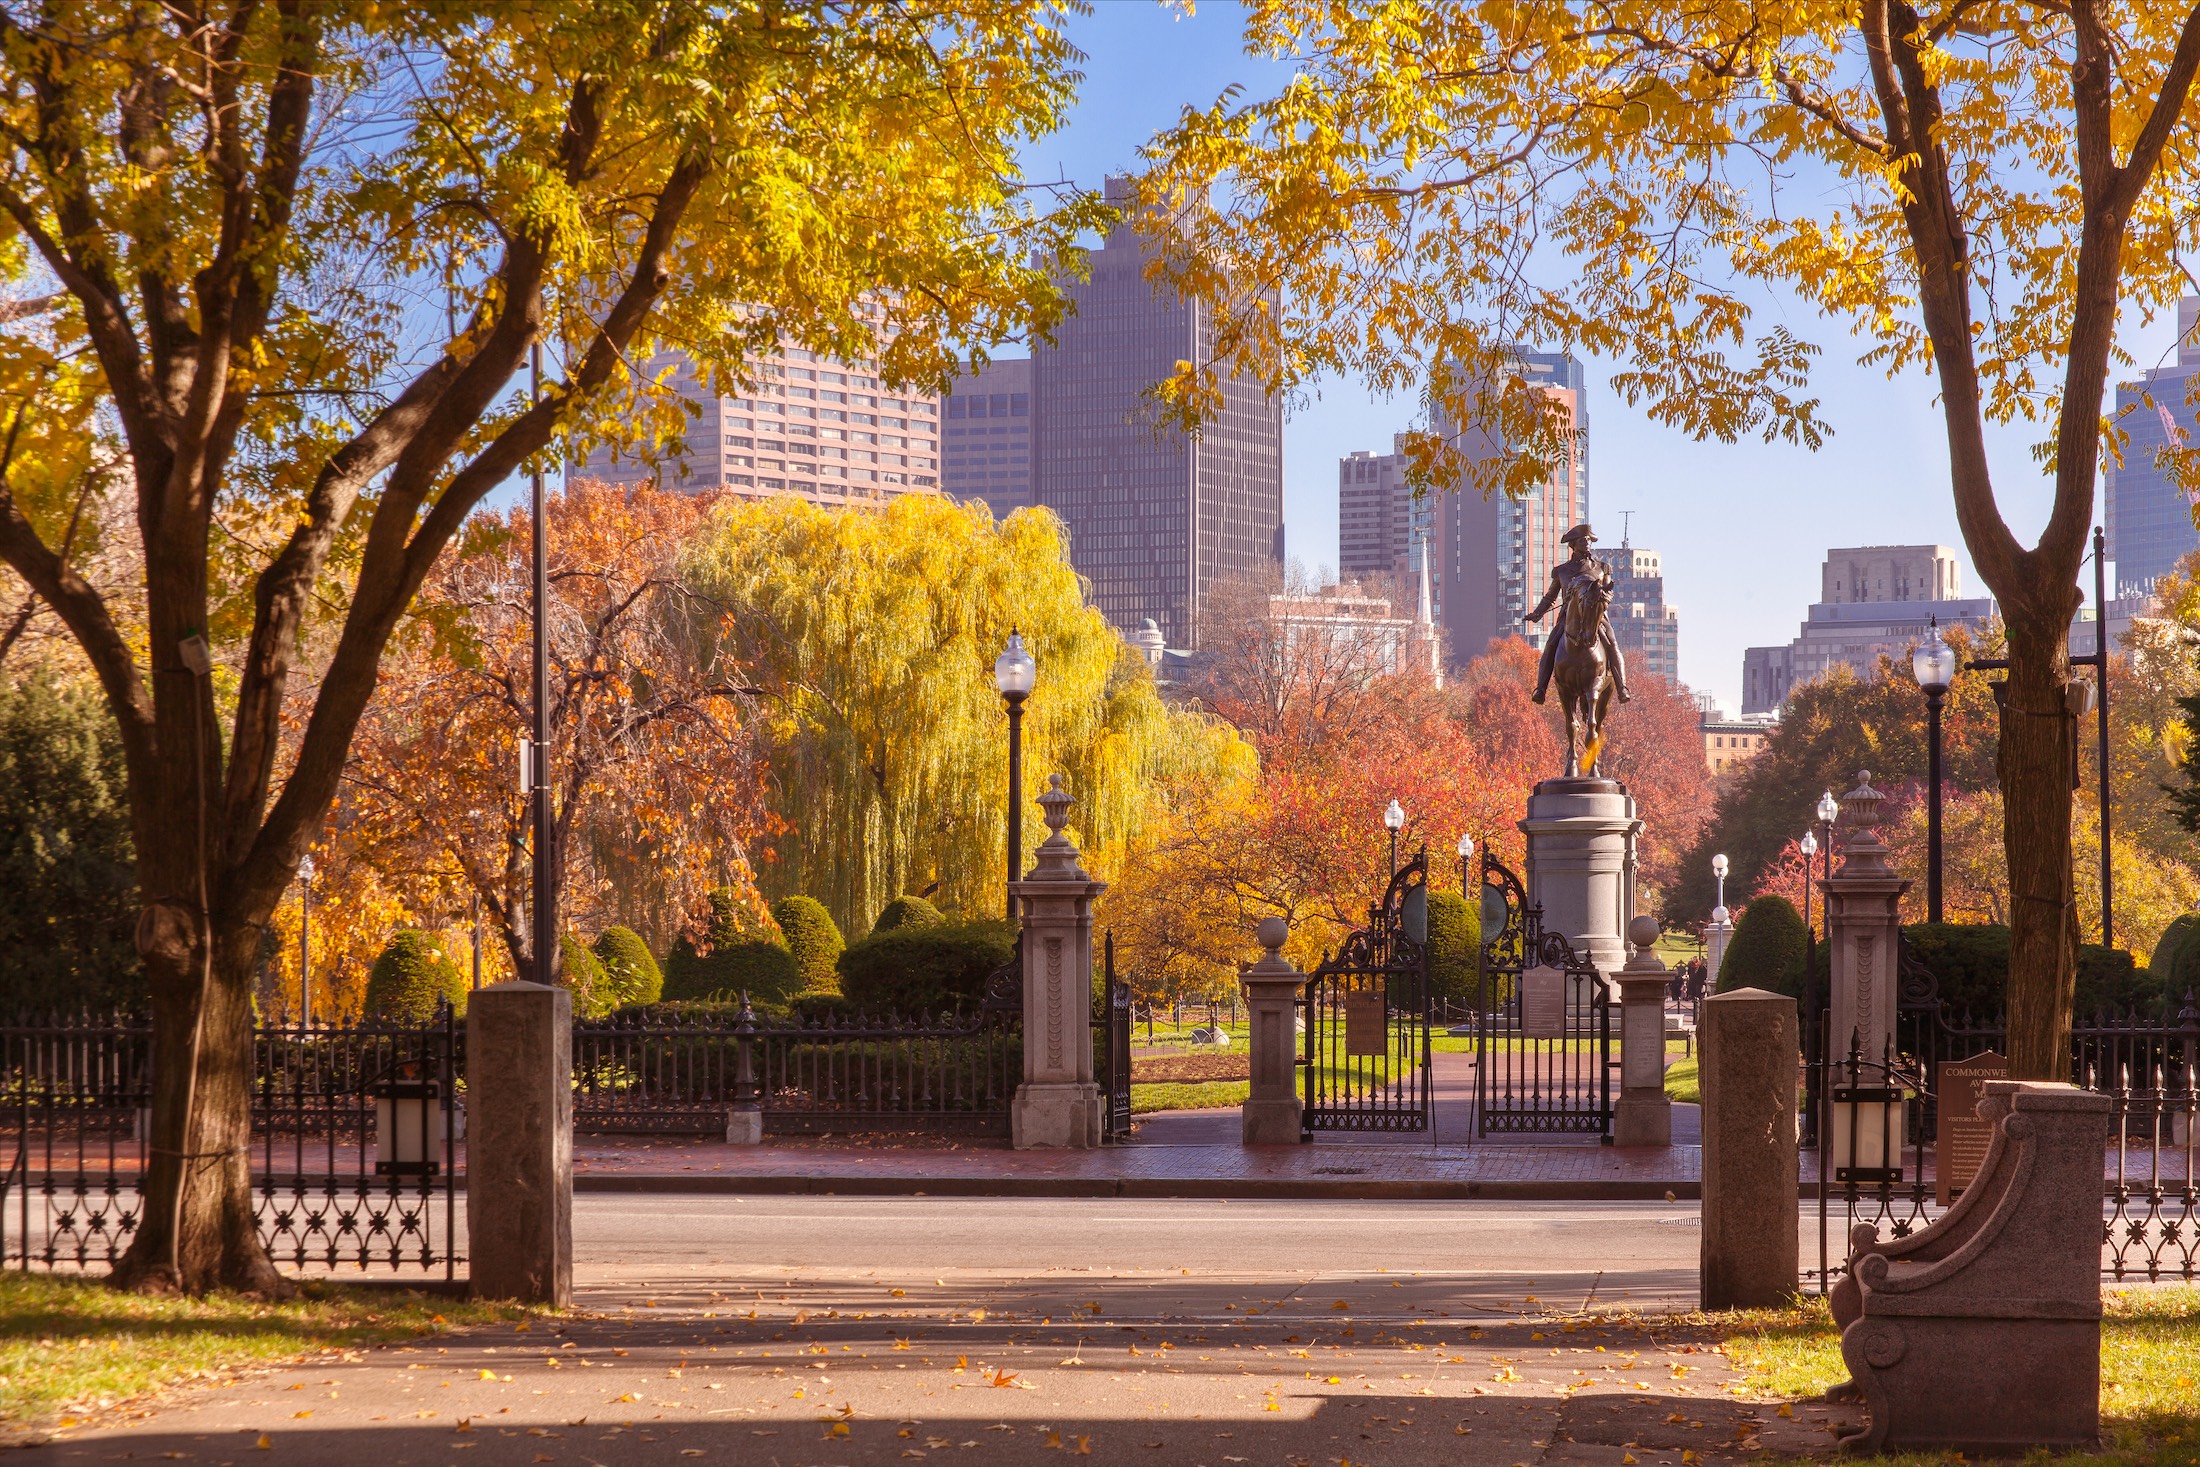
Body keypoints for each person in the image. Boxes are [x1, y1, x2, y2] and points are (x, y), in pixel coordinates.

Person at [1526, 522, 1631, 705]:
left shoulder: (1602, 568)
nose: (1588, 542)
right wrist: (1538, 613)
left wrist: (1603, 599)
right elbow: (1550, 597)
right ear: (1573, 544)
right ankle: (1540, 689)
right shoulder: (1562, 571)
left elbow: (1609, 591)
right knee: (1550, 645)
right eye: (1584, 540)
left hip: (1596, 617)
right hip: (1569, 618)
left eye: (1589, 539)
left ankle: (1622, 687)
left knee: (1612, 643)